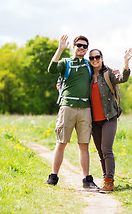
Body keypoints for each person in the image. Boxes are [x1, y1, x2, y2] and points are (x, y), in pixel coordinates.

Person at [46, 35, 99, 190]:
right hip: (67, 106)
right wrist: (60, 49)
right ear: (74, 46)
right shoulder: (66, 62)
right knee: (61, 143)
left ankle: (86, 180)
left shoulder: (89, 64)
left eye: (84, 46)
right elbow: (51, 69)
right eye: (78, 45)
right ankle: (53, 176)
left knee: (84, 145)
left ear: (87, 48)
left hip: (85, 109)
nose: (81, 48)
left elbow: (102, 69)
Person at [89, 48, 132, 193]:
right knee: (100, 152)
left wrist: (126, 62)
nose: (94, 60)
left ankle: (109, 181)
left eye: (97, 57)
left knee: (106, 149)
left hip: (109, 117)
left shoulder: (109, 73)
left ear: (102, 58)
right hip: (94, 120)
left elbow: (123, 78)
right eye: (92, 58)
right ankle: (105, 180)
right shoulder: (87, 75)